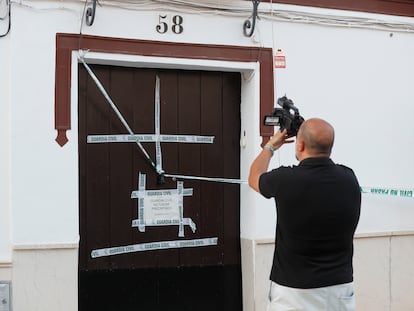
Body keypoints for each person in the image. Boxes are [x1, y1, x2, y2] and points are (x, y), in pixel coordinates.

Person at [248, 118, 361, 311]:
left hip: (294, 292)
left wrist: (271, 146)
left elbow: (254, 177)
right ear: (330, 148)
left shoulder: (285, 180)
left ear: (300, 145)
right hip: (340, 288)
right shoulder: (349, 177)